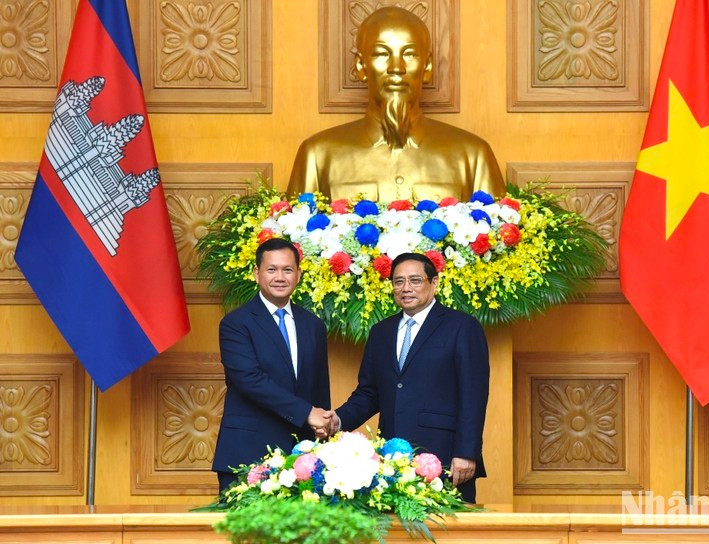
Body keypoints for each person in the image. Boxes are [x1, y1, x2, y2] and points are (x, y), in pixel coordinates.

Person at [287, 6, 504, 203]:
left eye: (409, 54)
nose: (396, 68)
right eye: (382, 54)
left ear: (427, 67)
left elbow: (499, 240)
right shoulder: (317, 155)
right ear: (361, 66)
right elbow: (292, 240)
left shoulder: (474, 155)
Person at [331, 253, 490, 503]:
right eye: (398, 281)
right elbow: (369, 393)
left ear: (434, 282)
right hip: (391, 460)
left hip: (445, 456)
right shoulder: (381, 332)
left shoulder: (462, 327)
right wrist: (337, 420)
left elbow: (474, 395)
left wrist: (466, 452)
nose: (406, 288)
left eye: (415, 280)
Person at [212, 238, 334, 493]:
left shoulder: (313, 325)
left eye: (287, 270)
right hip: (248, 454)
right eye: (272, 269)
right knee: (244, 534)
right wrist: (306, 412)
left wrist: (323, 429)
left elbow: (319, 389)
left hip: (303, 458)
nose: (280, 277)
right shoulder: (236, 324)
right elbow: (250, 380)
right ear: (257, 274)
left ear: (298, 275)